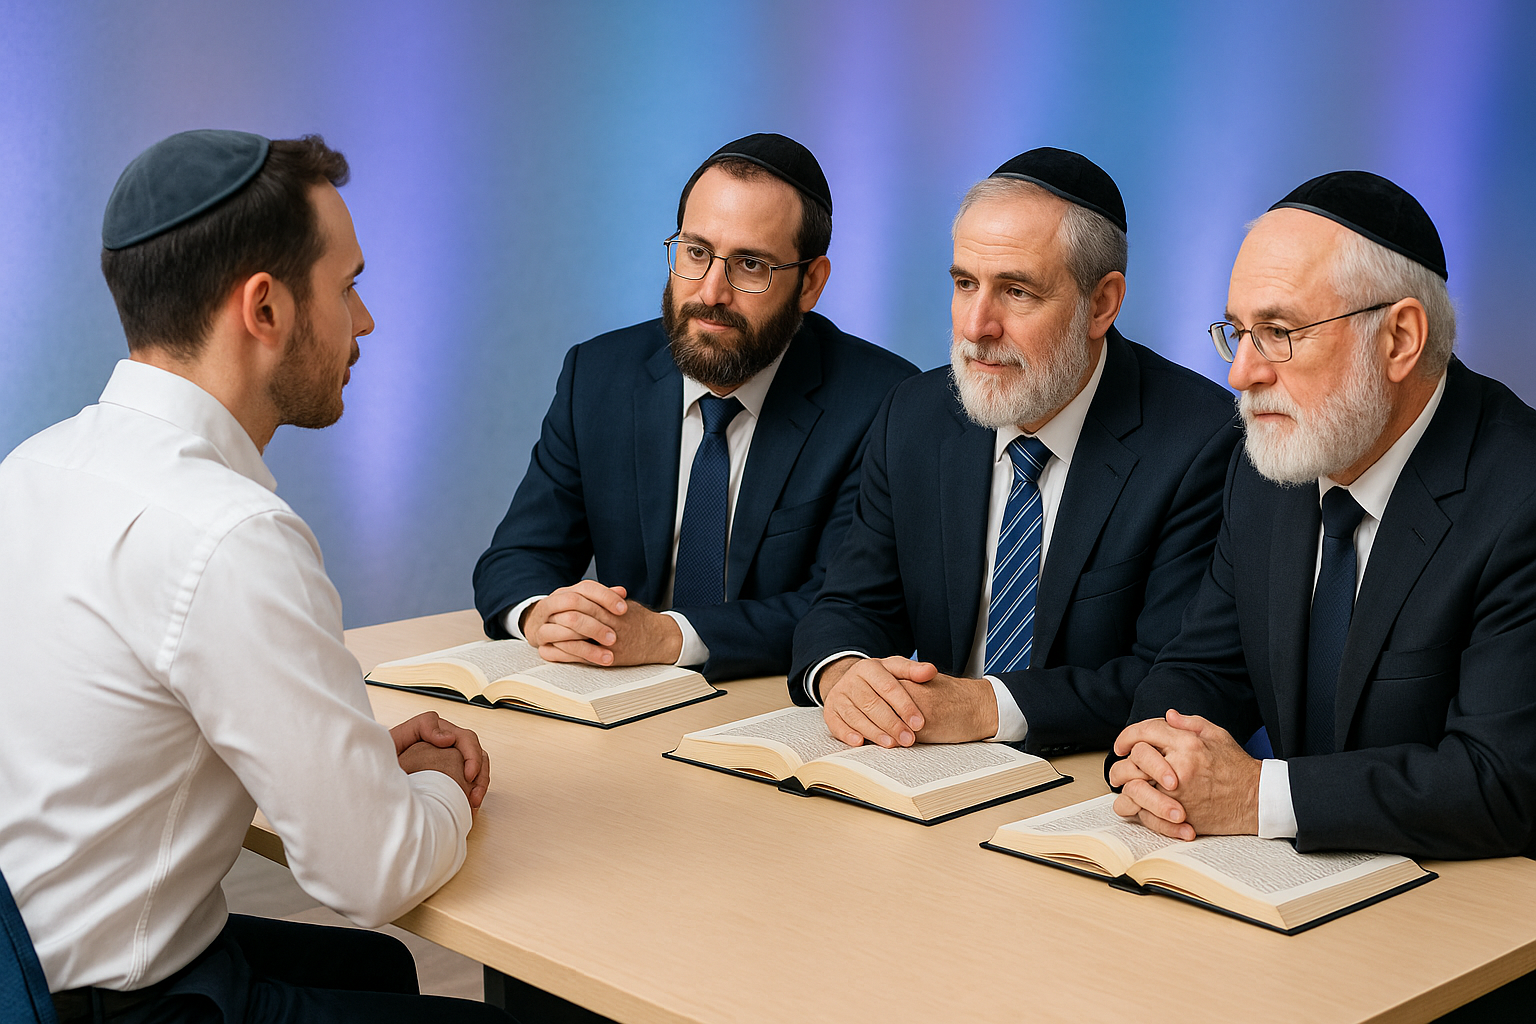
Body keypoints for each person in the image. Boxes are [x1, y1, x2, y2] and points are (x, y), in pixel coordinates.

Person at [0, 130, 508, 1023]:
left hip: (25, 958)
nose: (366, 320)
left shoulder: (35, 466)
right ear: (264, 309)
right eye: (347, 286)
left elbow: (115, 743)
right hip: (106, 1004)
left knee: (378, 974)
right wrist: (440, 791)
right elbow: (375, 872)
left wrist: (349, 767)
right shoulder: (230, 532)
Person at [1112, 170, 1536, 863]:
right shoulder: (1270, 459)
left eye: (1279, 331)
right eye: (1238, 332)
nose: (1241, 373)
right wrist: (1152, 761)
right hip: (1288, 890)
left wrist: (1255, 798)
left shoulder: (1520, 498)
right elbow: (1201, 668)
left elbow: (1503, 782)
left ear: (1399, 338)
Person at [790, 148, 1237, 754]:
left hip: (1088, 783)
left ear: (1101, 303)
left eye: (1017, 291)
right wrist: (843, 673)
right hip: (922, 765)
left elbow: (1174, 678)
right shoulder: (915, 416)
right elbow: (850, 603)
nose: (976, 326)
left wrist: (982, 705)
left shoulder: (1201, 441)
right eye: (964, 283)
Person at [473, 133, 918, 682]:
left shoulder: (884, 403)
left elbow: (846, 611)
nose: (710, 292)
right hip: (614, 693)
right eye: (696, 252)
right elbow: (515, 558)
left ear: (811, 284)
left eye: (750, 265)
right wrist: (543, 613)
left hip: (767, 706)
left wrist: (667, 636)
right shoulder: (598, 376)